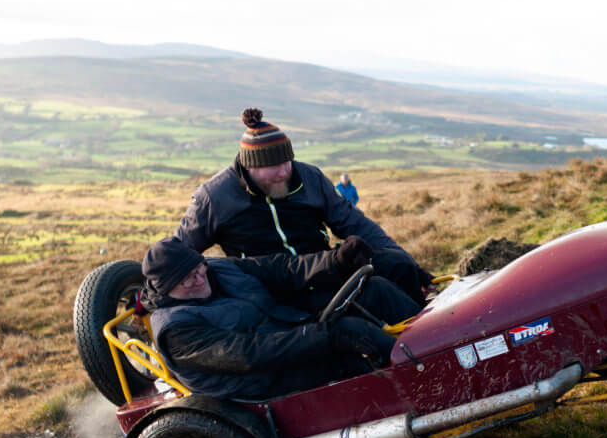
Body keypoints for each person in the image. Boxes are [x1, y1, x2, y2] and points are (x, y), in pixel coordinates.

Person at [174, 108, 432, 305]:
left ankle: (430, 336)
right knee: (377, 294)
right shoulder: (215, 197)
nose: (283, 172)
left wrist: (413, 266)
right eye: (272, 166)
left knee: (397, 265)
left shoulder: (310, 178)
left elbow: (356, 224)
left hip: (327, 270)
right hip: (268, 291)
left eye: (286, 162)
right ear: (249, 166)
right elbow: (177, 254)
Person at [139, 236, 421, 399]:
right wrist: (326, 336)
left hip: (286, 331)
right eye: (187, 280)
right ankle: (420, 386)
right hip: (262, 379)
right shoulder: (175, 330)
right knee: (351, 337)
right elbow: (248, 354)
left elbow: (280, 269)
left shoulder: (215, 269)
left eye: (198, 270)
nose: (200, 280)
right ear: (166, 289)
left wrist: (335, 261)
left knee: (375, 290)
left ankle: (431, 346)